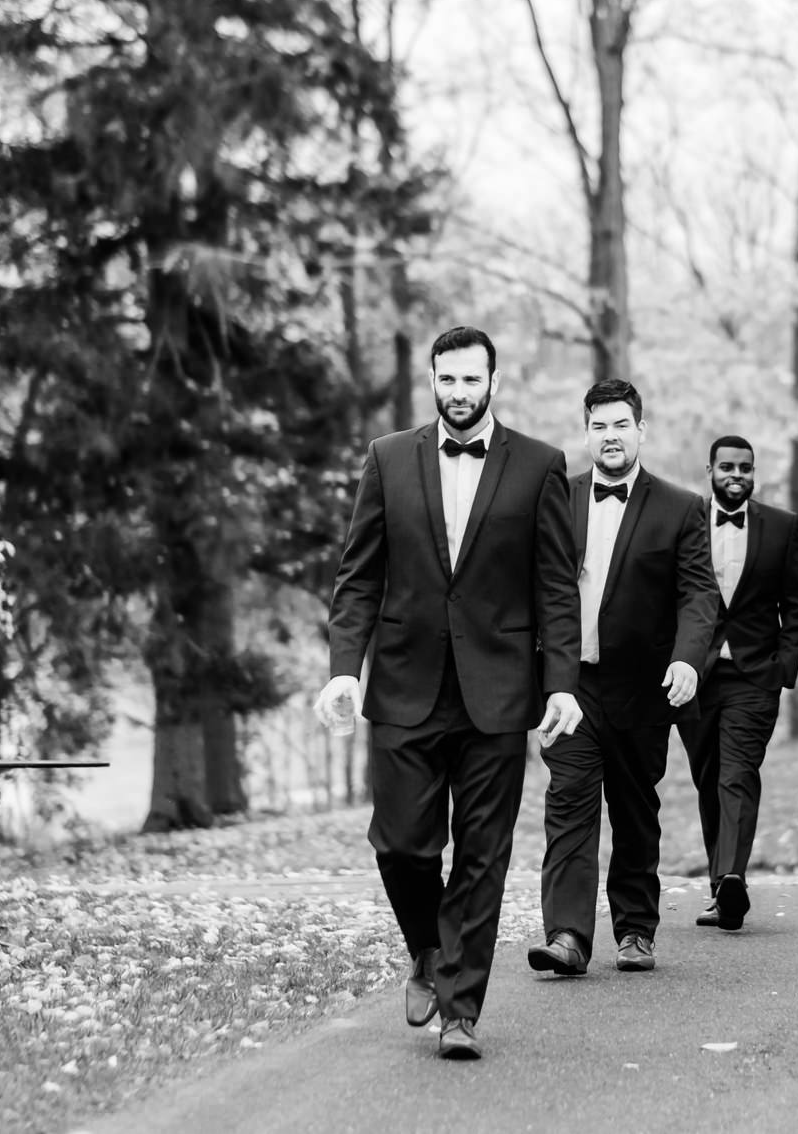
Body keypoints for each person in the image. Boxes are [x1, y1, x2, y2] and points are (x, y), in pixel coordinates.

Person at [317, 326, 582, 1060]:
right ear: (432, 380)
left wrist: (562, 682)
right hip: (403, 684)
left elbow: (557, 586)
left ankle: (460, 1009)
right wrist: (345, 667)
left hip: (498, 693)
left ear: (494, 381)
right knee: (400, 844)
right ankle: (430, 953)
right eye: (447, 379)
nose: (458, 392)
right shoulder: (388, 458)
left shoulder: (538, 466)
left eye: (471, 380)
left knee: (483, 853)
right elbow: (358, 576)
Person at [531, 379, 719, 976]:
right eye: (598, 426)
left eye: (620, 426)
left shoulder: (681, 508)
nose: (609, 437)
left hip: (642, 689)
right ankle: (566, 936)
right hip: (570, 686)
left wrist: (688, 659)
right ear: (585, 433)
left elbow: (699, 595)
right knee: (568, 806)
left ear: (642, 430)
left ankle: (636, 930)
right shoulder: (556, 497)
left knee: (635, 812)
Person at [677, 435, 798, 932]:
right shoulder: (684, 519)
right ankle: (721, 887)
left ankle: (732, 876)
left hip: (755, 677)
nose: (737, 475)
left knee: (737, 773)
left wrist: (784, 667)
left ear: (755, 473)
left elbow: (797, 605)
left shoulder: (781, 527)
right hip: (694, 675)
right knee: (708, 779)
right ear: (709, 468)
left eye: (746, 468)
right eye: (727, 467)